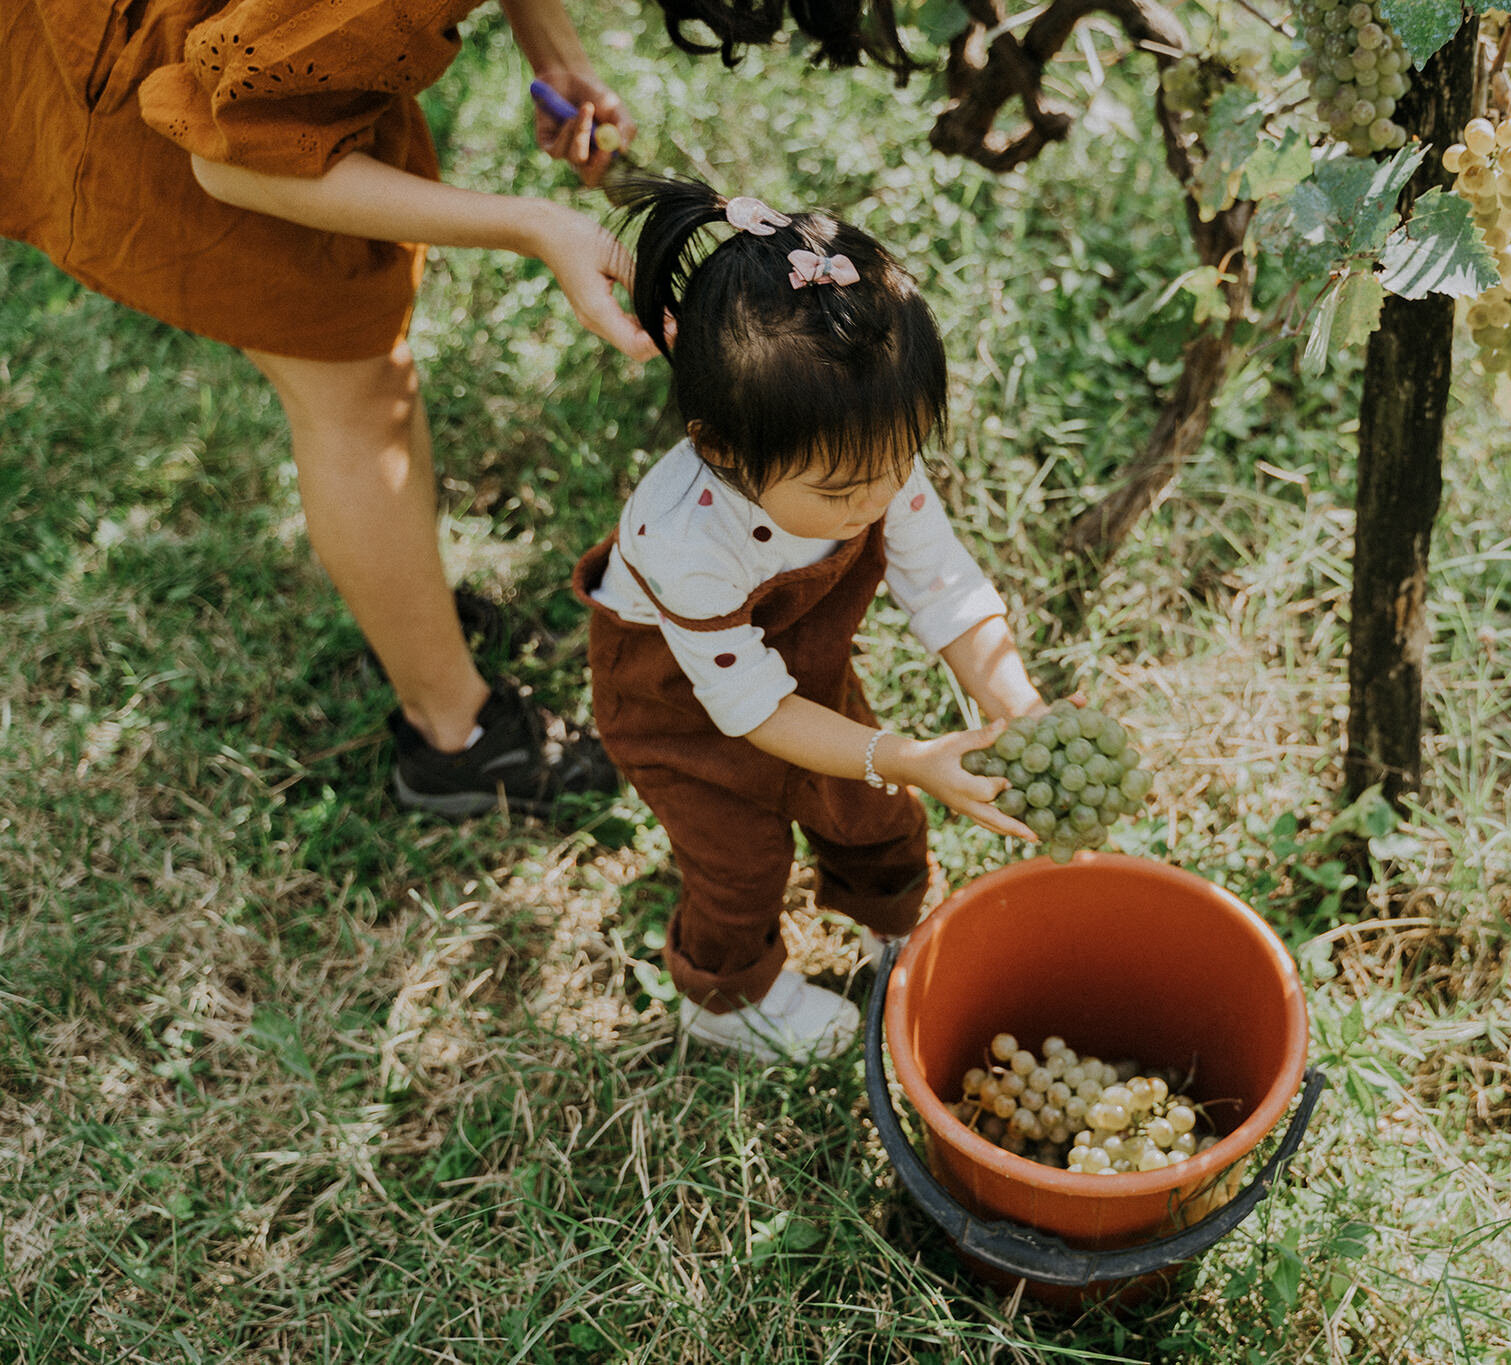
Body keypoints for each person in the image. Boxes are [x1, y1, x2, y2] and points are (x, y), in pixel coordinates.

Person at [1, 0, 922, 818]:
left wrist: (551, 48)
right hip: (177, 96)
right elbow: (231, 156)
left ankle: (419, 634)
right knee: (354, 391)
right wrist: (535, 224)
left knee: (358, 364)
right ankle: (457, 738)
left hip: (256, 54)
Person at [572, 173, 1045, 1061]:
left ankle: (894, 934)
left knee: (876, 812)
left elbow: (943, 586)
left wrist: (1015, 703)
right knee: (739, 865)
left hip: (800, 669)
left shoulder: (869, 459)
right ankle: (726, 998)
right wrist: (904, 753)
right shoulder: (681, 536)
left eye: (896, 462)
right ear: (723, 449)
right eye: (839, 490)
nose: (876, 498)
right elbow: (750, 709)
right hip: (682, 704)